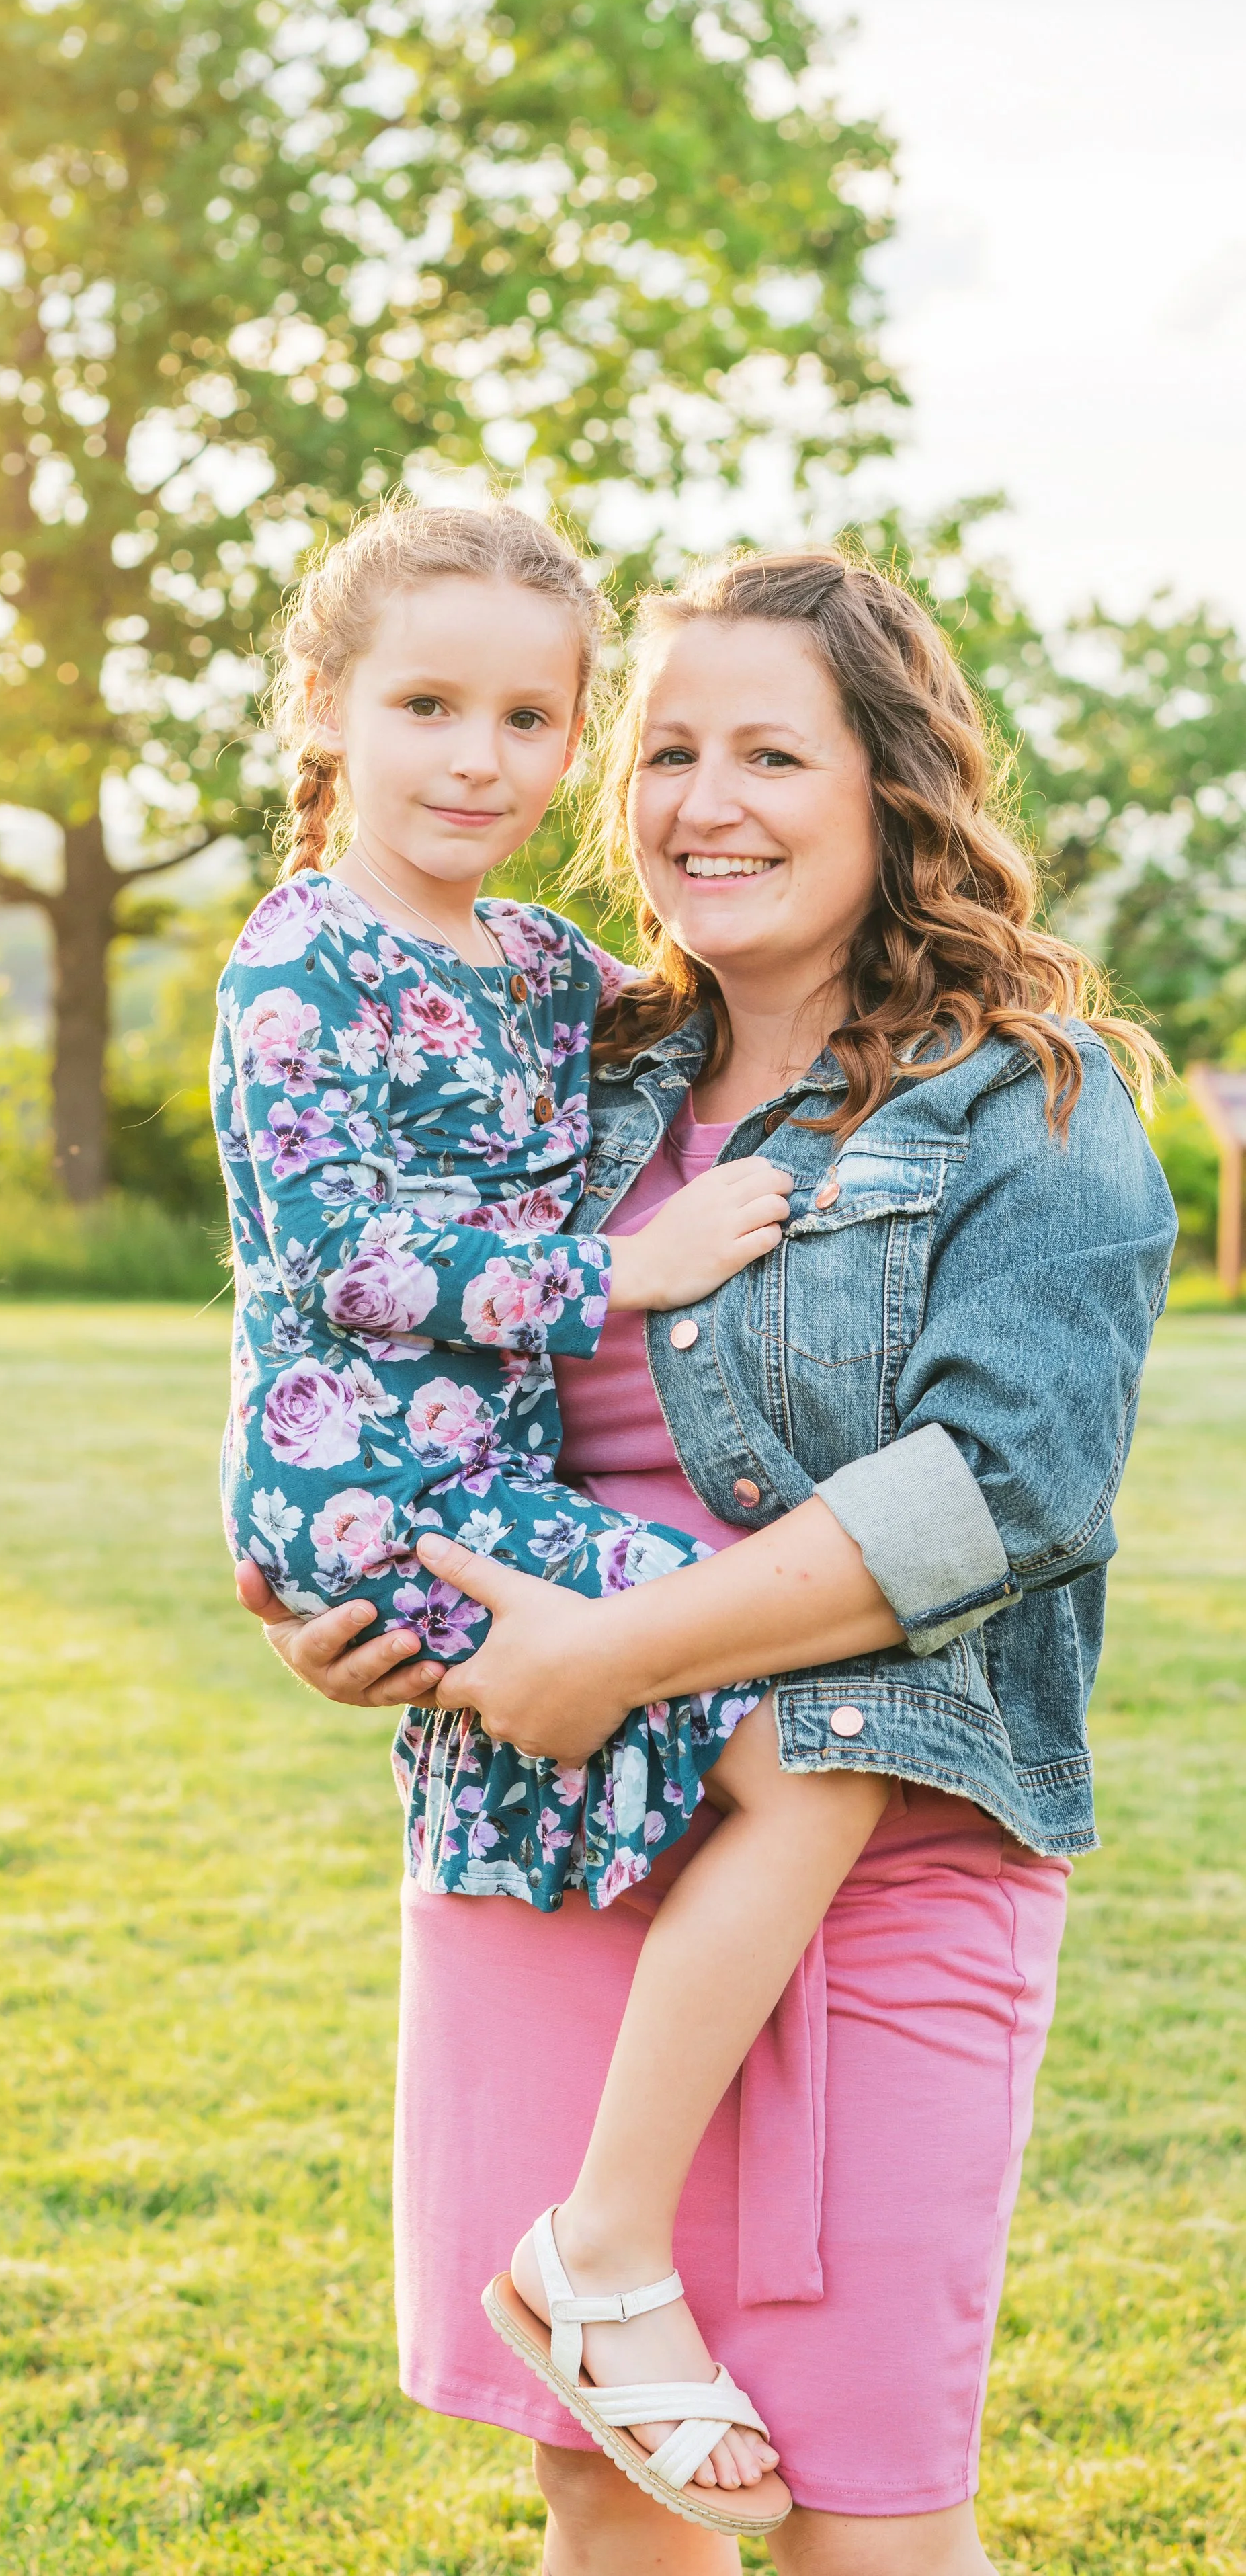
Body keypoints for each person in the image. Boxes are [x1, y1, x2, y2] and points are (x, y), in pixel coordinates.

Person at [238, 548, 1176, 2575]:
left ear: (887, 784)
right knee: (610, 2480)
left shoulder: (1033, 1099)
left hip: (884, 1844)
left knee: (866, 2512)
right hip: (547, 1826)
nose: (705, 801)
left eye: (771, 750)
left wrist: (624, 1646)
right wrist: (338, 1594)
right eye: (667, 750)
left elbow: (999, 1492)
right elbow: (367, 1314)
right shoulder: (573, 1065)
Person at [213, 501, 891, 2533]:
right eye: (425, 705)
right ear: (325, 713)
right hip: (376, 1494)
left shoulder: (534, 963)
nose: (478, 760)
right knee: (808, 1733)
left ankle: (636, 2231)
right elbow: (331, 1249)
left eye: (529, 715)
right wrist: (633, 1273)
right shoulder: (298, 964)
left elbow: (721, 989)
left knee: (716, 1741)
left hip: (480, 1485)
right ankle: (591, 2252)